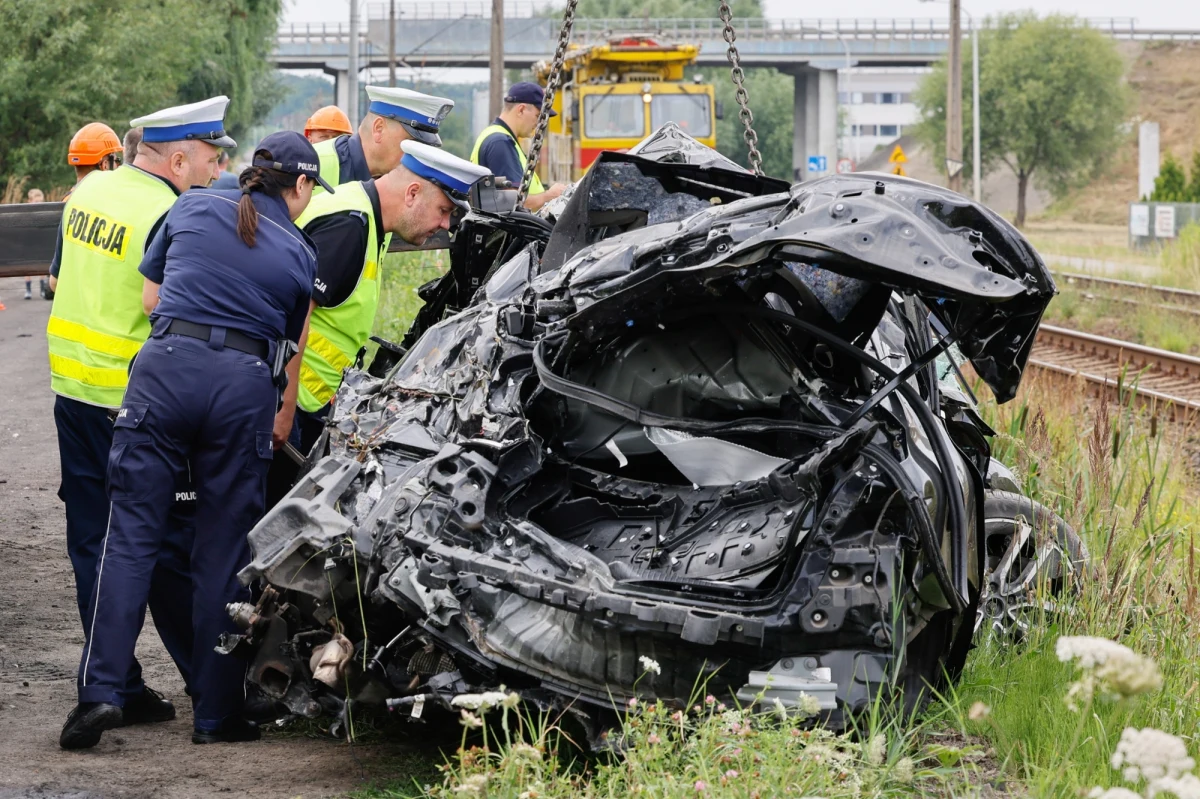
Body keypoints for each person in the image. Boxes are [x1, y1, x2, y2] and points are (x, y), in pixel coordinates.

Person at [60, 130, 324, 750]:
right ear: (302, 186)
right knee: (222, 552)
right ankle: (216, 715)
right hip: (242, 388)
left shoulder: (191, 204)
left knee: (129, 536)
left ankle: (100, 694)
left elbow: (152, 297)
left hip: (166, 370)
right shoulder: (300, 252)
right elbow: (288, 344)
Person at [51, 96, 235, 750]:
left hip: (71, 389)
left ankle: (118, 685)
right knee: (163, 544)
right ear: (179, 157)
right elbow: (177, 310)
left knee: (91, 541)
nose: (214, 173)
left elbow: (58, 277)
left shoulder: (89, 192)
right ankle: (205, 683)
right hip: (135, 400)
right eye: (211, 159)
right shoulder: (171, 212)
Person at [265, 141, 488, 504]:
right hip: (288, 401)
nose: (444, 225)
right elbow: (293, 313)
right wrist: (284, 409)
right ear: (413, 192)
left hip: (300, 396)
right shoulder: (349, 227)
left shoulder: (362, 210)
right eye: (444, 211)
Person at [311, 85, 455, 192]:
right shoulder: (312, 164)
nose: (417, 155)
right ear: (378, 129)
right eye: (412, 144)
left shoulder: (395, 186)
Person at [470, 82, 567, 212]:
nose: (539, 123)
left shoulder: (494, 135)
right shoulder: (500, 142)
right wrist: (549, 196)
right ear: (521, 110)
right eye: (538, 116)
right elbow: (513, 203)